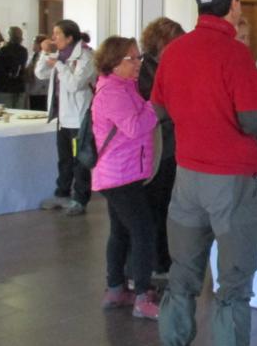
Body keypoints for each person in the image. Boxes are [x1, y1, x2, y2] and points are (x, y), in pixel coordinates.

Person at [153, 0, 257, 346]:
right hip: (230, 183)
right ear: (232, 5)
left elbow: (159, 107)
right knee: (233, 285)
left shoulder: (174, 51)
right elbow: (254, 118)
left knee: (182, 276)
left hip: (187, 179)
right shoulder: (234, 54)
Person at [92, 35, 161, 320]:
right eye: (131, 58)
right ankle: (142, 296)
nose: (138, 63)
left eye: (138, 57)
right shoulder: (112, 93)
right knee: (143, 232)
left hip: (124, 172)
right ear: (113, 62)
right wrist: (154, 105)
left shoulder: (124, 87)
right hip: (119, 175)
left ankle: (115, 289)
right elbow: (135, 126)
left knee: (120, 232)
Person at [138, 16, 186, 276]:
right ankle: (156, 263)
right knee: (155, 206)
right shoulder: (145, 71)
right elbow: (155, 107)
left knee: (167, 204)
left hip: (172, 144)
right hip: (156, 146)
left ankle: (163, 260)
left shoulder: (170, 67)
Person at [36, 19, 96, 217]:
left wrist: (60, 66)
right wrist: (44, 53)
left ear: (69, 38)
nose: (53, 38)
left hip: (79, 118)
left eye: (57, 34)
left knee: (80, 161)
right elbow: (41, 73)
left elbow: (74, 84)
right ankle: (62, 193)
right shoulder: (59, 55)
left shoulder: (85, 57)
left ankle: (80, 198)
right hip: (62, 118)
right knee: (64, 159)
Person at [0, 26, 28, 109]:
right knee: (19, 112)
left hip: (4, 86)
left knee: (6, 112)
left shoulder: (4, 50)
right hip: (19, 85)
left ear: (9, 36)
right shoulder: (23, 50)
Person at [26, 34, 50, 111]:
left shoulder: (46, 55)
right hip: (32, 88)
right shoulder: (33, 56)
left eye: (34, 42)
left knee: (41, 109)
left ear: (40, 44)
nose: (33, 45)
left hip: (43, 89)